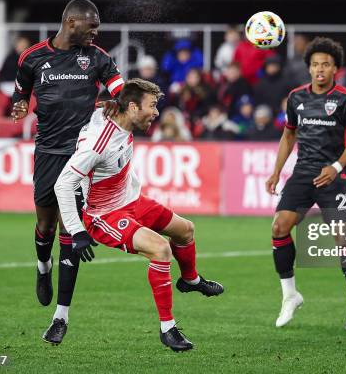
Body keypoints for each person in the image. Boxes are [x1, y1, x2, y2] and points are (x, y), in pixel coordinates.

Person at [54, 79, 224, 351]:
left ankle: (190, 280)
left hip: (131, 200)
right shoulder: (99, 145)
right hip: (104, 215)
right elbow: (62, 184)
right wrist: (76, 230)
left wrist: (105, 102)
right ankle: (167, 329)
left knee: (186, 230)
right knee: (160, 249)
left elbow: (99, 102)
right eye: (152, 106)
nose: (156, 112)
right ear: (132, 107)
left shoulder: (115, 114)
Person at [10, 0, 125, 344]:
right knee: (44, 223)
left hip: (81, 156)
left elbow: (120, 89)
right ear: (72, 22)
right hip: (47, 152)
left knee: (69, 228)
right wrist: (17, 107)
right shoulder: (32, 58)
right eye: (93, 26)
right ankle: (43, 268)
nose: (96, 32)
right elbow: (20, 95)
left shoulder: (98, 58)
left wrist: (118, 101)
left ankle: (61, 316)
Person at [264, 37, 346, 330]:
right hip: (303, 173)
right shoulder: (296, 97)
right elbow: (288, 135)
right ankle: (290, 295)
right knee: (279, 227)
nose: (320, 69)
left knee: (343, 239)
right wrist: (275, 172)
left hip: (335, 177)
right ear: (308, 68)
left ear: (335, 68)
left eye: (326, 64)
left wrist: (336, 167)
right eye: (315, 64)